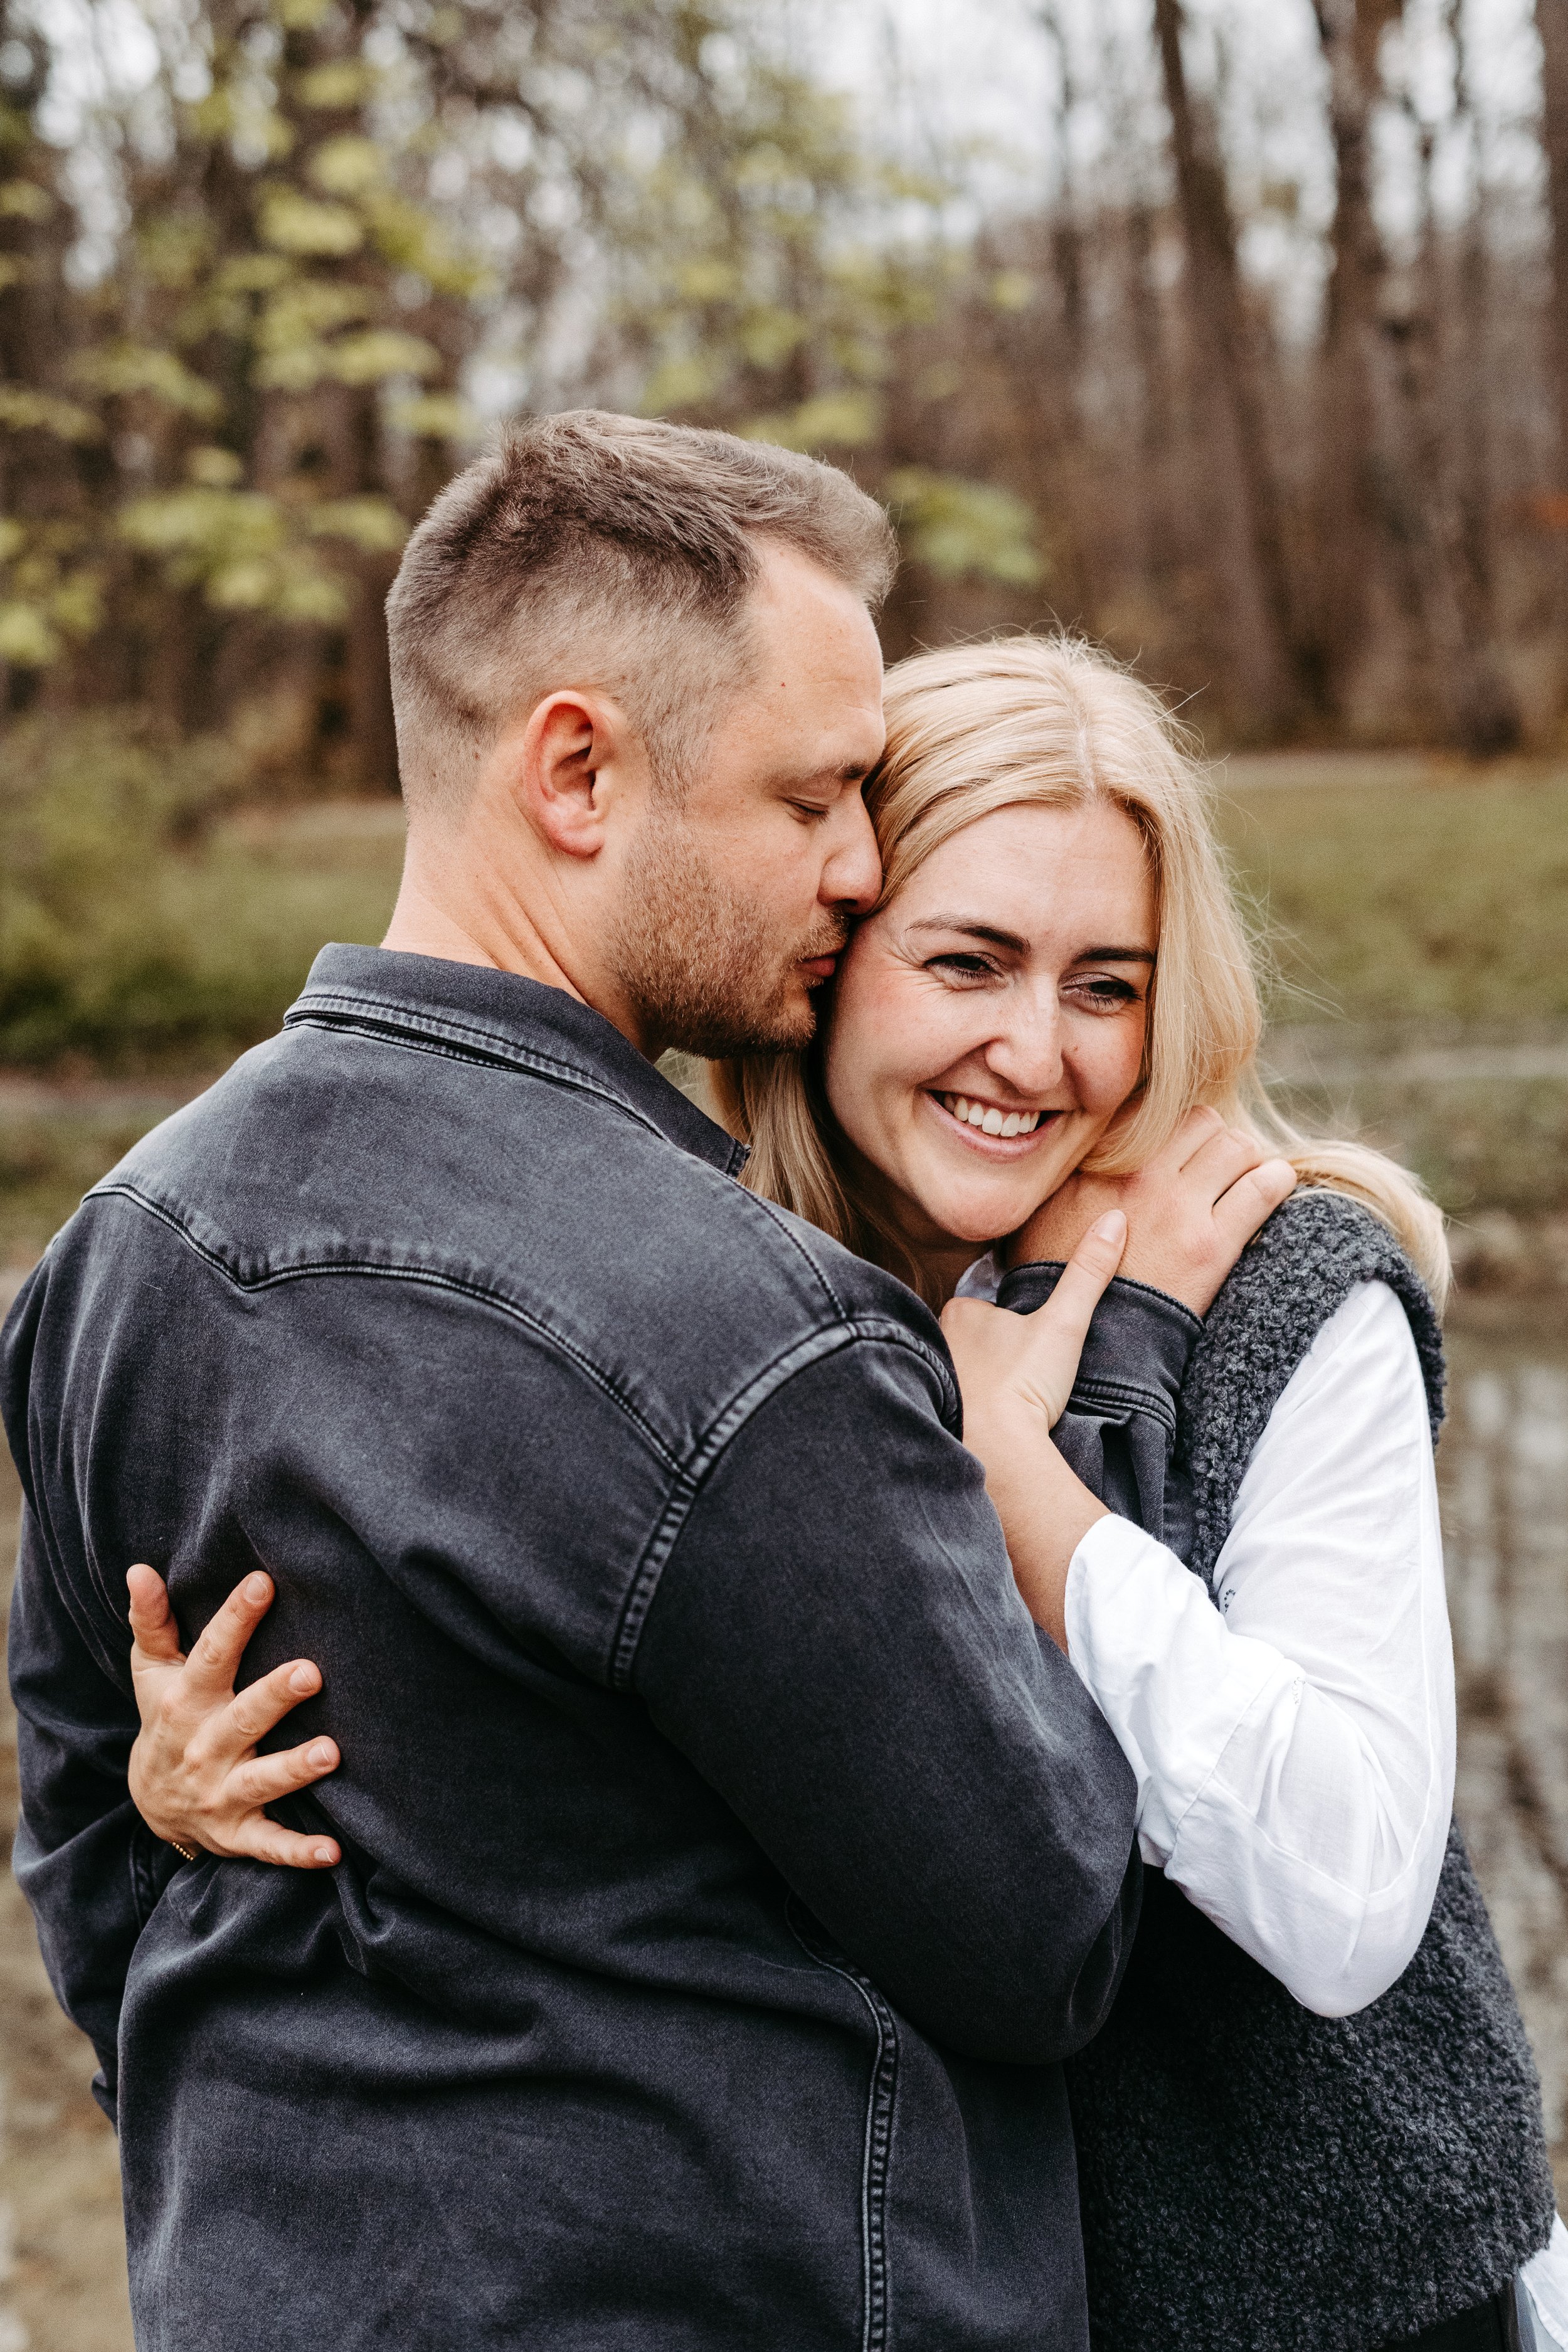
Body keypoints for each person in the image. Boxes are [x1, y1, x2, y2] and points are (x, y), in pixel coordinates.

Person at [3, 415, 1297, 2352]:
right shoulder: (744, 1338)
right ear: (577, 771)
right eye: (811, 798)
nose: (860, 865)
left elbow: (91, 1857)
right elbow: (1042, 1933)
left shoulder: (118, 1248)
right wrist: (1088, 1401)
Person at [130, 635, 1567, 2352]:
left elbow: (1342, 1899)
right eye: (966, 963)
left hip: (1345, 2300)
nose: (1033, 1051)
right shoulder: (719, 1315)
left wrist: (1014, 1481)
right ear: (832, 951)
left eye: (1105, 985)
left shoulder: (1284, 1287)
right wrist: (186, 1793)